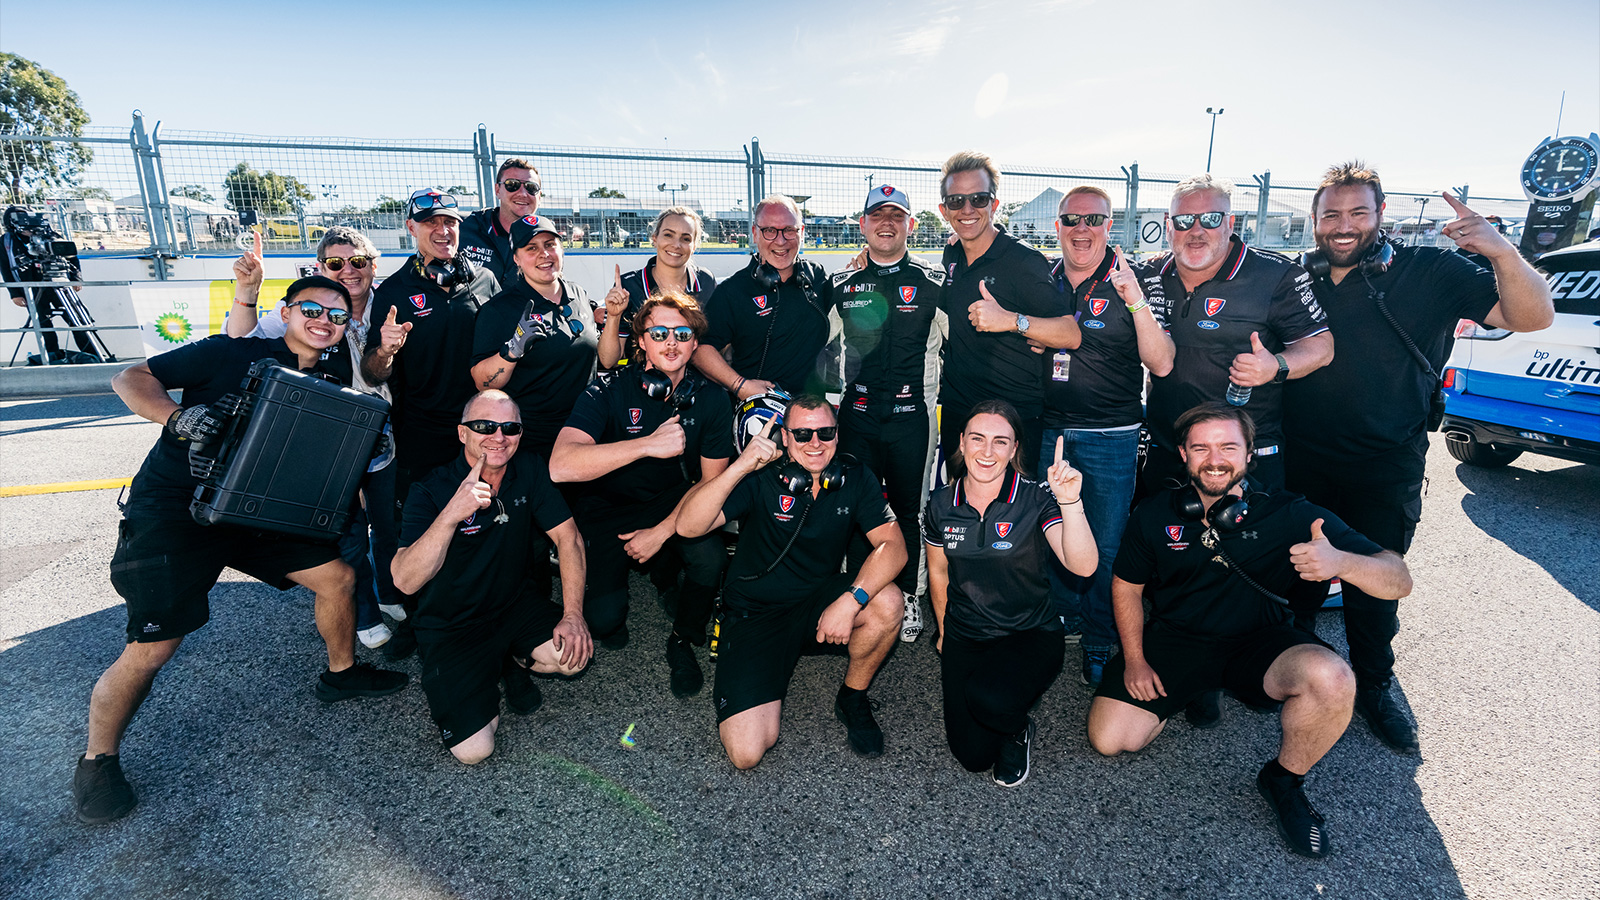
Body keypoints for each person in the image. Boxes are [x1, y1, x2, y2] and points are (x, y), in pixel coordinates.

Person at [72, 276, 408, 825]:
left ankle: (341, 673)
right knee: (153, 647)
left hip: (257, 513)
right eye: (311, 309)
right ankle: (97, 759)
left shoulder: (327, 376)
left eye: (337, 316)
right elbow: (129, 376)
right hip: (177, 511)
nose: (324, 321)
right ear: (287, 311)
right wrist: (175, 417)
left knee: (339, 578)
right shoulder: (228, 352)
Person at [1282, 163, 1553, 754]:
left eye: (1358, 212)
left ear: (1380, 215)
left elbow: (1534, 317)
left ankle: (1375, 684)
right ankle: (1297, 668)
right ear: (1314, 220)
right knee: (1298, 572)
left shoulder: (1432, 271)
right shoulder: (1299, 277)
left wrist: (1502, 252)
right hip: (1302, 458)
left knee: (1372, 577)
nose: (1344, 225)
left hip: (1386, 461)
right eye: (1331, 214)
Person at [1086, 403, 1413, 858]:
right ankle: (1193, 690)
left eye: (1227, 447)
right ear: (1182, 454)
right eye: (1200, 447)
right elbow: (1126, 586)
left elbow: (1399, 578)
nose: (1214, 459)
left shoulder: (1291, 513)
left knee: (1333, 679)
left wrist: (1342, 562)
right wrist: (1137, 661)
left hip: (1261, 641)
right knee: (1111, 739)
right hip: (1176, 638)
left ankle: (1283, 780)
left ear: (1250, 453)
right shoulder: (1156, 512)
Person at [676, 395, 907, 768]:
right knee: (747, 753)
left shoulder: (855, 476)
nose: (815, 442)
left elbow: (893, 547)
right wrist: (740, 467)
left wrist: (850, 601)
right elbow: (688, 525)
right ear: (785, 437)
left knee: (888, 601)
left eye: (825, 432)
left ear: (837, 434)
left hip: (819, 605)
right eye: (802, 434)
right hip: (756, 612)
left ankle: (853, 697)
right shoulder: (760, 476)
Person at [225, 226, 401, 649]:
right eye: (335, 264)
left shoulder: (390, 303)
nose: (348, 272)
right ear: (321, 267)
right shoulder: (310, 308)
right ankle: (365, 614)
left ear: (372, 266)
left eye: (357, 262)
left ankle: (392, 592)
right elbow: (241, 341)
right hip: (328, 439)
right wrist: (247, 292)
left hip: (383, 434)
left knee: (390, 520)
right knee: (348, 529)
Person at [548, 292, 732, 695]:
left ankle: (682, 636)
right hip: (607, 507)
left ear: (694, 345)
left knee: (710, 557)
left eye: (682, 334)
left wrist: (661, 533)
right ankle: (656, 575)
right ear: (642, 342)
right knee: (603, 623)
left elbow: (709, 485)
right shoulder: (608, 389)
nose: (671, 342)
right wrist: (646, 444)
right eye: (660, 332)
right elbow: (561, 465)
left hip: (673, 503)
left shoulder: (713, 399)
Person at [392, 390, 591, 764]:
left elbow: (569, 538)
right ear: (462, 433)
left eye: (509, 427)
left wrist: (573, 614)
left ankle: (510, 658)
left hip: (512, 605)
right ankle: (490, 666)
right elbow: (404, 580)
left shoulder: (529, 469)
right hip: (452, 625)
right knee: (474, 751)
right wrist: (452, 514)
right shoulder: (430, 489)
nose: (498, 437)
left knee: (572, 658)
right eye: (484, 426)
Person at [1037, 187, 1176, 687]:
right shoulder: (1044, 277)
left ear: (1109, 224)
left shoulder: (1132, 278)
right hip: (1047, 428)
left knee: (1107, 542)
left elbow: (1161, 361)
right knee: (1050, 530)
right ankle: (1062, 619)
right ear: (1057, 225)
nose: (1082, 228)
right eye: (1071, 218)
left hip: (1110, 433)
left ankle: (1100, 636)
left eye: (1093, 219)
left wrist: (1135, 301)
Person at [924, 401, 1097, 787]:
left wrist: (1070, 500)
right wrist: (945, 632)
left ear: (1015, 449)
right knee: (972, 757)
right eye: (978, 439)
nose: (987, 452)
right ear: (962, 443)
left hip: (1029, 633)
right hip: (967, 633)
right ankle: (996, 702)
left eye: (1000, 442)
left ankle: (1018, 728)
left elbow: (1083, 566)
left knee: (992, 700)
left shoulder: (1036, 498)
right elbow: (938, 571)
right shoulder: (939, 504)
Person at [363, 189, 500, 660]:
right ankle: (419, 618)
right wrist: (385, 350)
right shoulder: (394, 292)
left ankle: (486, 610)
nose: (443, 231)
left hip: (482, 430)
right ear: (412, 228)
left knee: (483, 520)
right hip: (420, 432)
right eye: (430, 223)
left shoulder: (485, 280)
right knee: (421, 528)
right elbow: (372, 372)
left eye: (451, 222)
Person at [1136, 174, 1335, 494]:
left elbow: (1321, 346)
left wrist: (1276, 366)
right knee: (1161, 542)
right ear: (1168, 224)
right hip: (1169, 452)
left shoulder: (1275, 274)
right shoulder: (1148, 275)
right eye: (1184, 220)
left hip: (1245, 457)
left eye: (1211, 219)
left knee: (1245, 543)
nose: (1196, 231)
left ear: (1230, 223)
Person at [831, 184, 947, 643]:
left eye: (897, 216)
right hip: (855, 417)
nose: (886, 223)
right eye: (877, 215)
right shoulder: (841, 285)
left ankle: (910, 593)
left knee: (909, 509)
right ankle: (857, 587)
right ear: (862, 225)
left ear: (911, 226)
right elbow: (823, 354)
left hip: (912, 419)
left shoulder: (933, 283)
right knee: (854, 507)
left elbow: (964, 347)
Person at [935, 151, 1075, 477]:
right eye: (956, 201)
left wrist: (1012, 321)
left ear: (994, 204)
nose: (967, 210)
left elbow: (1070, 334)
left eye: (978, 199)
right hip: (961, 415)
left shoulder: (1024, 262)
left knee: (1012, 523)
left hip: (1014, 420)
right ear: (944, 210)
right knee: (959, 515)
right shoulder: (951, 253)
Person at [469, 214, 598, 461]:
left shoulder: (579, 294)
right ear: (516, 258)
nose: (544, 254)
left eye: (550, 244)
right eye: (531, 248)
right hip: (535, 443)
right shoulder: (500, 309)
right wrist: (512, 351)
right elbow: (482, 383)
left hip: (586, 429)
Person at [693, 195, 837, 400]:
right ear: (755, 233)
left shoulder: (817, 275)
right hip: (759, 415)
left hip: (811, 414)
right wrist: (740, 386)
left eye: (789, 230)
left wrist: (865, 262)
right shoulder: (733, 290)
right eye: (769, 230)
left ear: (801, 232)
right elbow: (701, 350)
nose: (781, 240)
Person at [597, 206, 718, 369]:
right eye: (668, 235)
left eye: (686, 238)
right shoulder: (629, 286)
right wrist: (613, 315)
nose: (676, 245)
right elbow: (609, 361)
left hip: (696, 385)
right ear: (655, 238)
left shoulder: (706, 281)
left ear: (694, 245)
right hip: (645, 385)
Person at [2, 205, 101, 363]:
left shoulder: (49, 235)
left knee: (77, 319)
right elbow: (5, 268)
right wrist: (15, 293)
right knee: (43, 323)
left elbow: (70, 255)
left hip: (59, 284)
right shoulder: (7, 241)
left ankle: (93, 356)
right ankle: (51, 358)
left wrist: (76, 277)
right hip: (30, 288)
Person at [459, 158, 542, 283]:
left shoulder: (547, 240)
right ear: (497, 190)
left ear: (539, 196)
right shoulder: (462, 227)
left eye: (531, 187)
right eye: (512, 185)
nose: (523, 194)